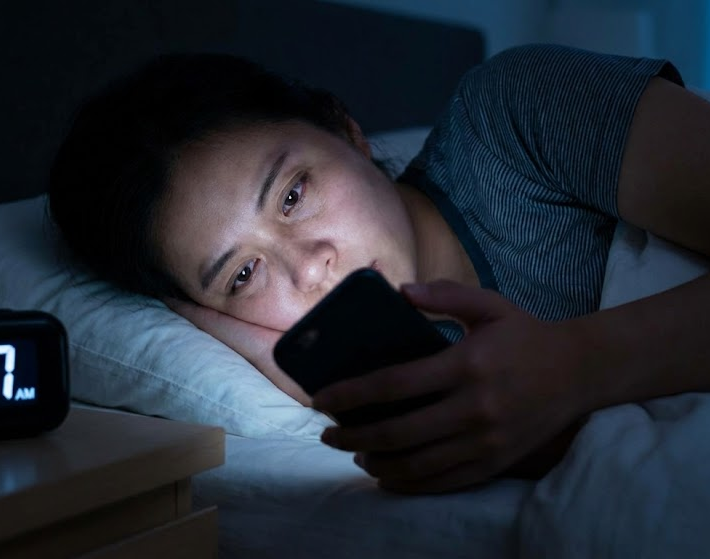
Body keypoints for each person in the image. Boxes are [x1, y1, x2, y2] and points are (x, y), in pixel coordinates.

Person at [48, 44, 710, 493]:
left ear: (346, 133)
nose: (310, 267)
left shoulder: (511, 117)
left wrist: (574, 365)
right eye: (242, 275)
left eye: (292, 194)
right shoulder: (390, 378)